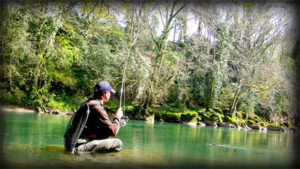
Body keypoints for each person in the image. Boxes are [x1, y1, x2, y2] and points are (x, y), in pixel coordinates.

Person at [65, 81, 124, 153]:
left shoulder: (88, 103)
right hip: (77, 146)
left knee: (105, 134)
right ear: (105, 94)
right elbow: (113, 131)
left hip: (71, 143)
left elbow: (107, 130)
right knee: (118, 143)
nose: (110, 95)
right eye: (109, 93)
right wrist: (117, 116)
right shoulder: (96, 107)